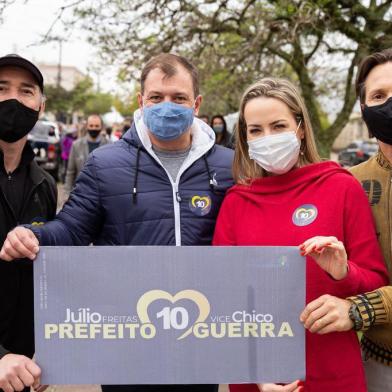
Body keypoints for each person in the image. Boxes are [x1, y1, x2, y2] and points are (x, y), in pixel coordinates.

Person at [0, 53, 234, 392]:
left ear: (196, 104)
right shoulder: (104, 164)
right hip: (127, 340)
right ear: (141, 101)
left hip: (201, 338)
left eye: (178, 98)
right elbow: (71, 228)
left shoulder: (230, 167)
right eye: (156, 97)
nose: (166, 106)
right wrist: (32, 234)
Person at [213, 78, 388, 392]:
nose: (268, 137)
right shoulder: (235, 203)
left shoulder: (341, 187)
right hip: (258, 378)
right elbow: (221, 304)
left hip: (332, 372)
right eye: (256, 130)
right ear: (245, 138)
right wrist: (256, 375)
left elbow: (375, 280)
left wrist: (344, 274)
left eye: (278, 126)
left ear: (301, 128)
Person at [300, 48, 392, 392]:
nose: (389, 104)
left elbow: (356, 301)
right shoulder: (349, 182)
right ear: (365, 110)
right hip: (378, 363)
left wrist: (359, 310)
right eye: (379, 96)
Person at [0, 54, 57, 392]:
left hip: (22, 370)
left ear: (40, 105)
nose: (13, 99)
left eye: (26, 91)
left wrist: (50, 353)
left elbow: (46, 277)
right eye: (2, 88)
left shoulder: (45, 185)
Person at [64, 113, 109, 195]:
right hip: (81, 193)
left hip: (103, 193)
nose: (93, 128)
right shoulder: (76, 145)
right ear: (87, 126)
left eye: (96, 126)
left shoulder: (109, 145)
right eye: (91, 126)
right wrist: (67, 194)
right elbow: (70, 172)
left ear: (101, 127)